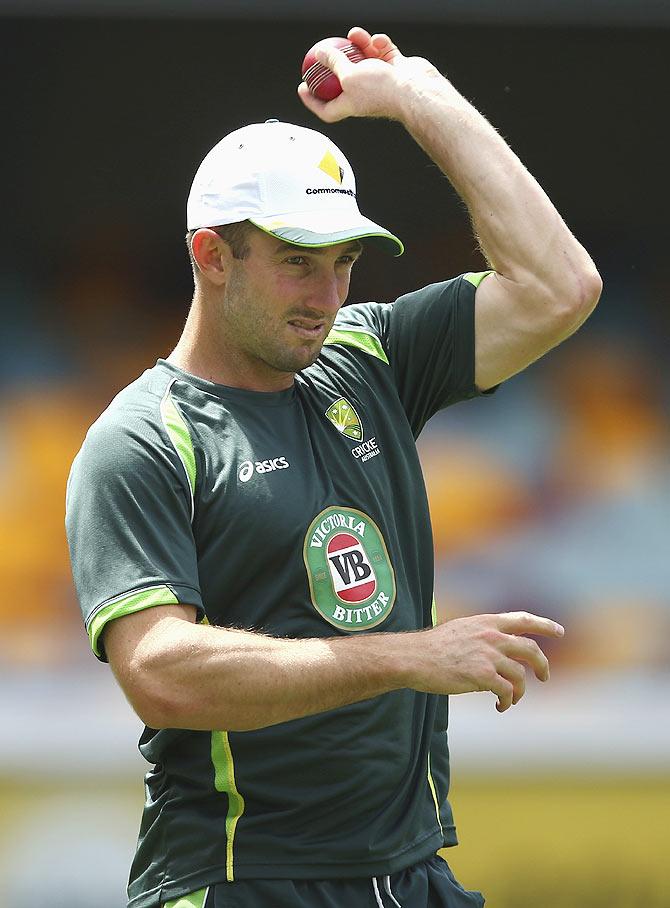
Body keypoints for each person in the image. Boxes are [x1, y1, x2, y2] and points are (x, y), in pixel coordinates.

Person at [65, 25, 602, 908]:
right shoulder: (144, 437)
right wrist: (403, 657)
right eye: (297, 263)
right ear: (210, 255)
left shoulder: (369, 358)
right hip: (242, 881)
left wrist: (419, 97)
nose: (326, 297)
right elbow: (158, 673)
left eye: (344, 263)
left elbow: (561, 288)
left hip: (413, 874)